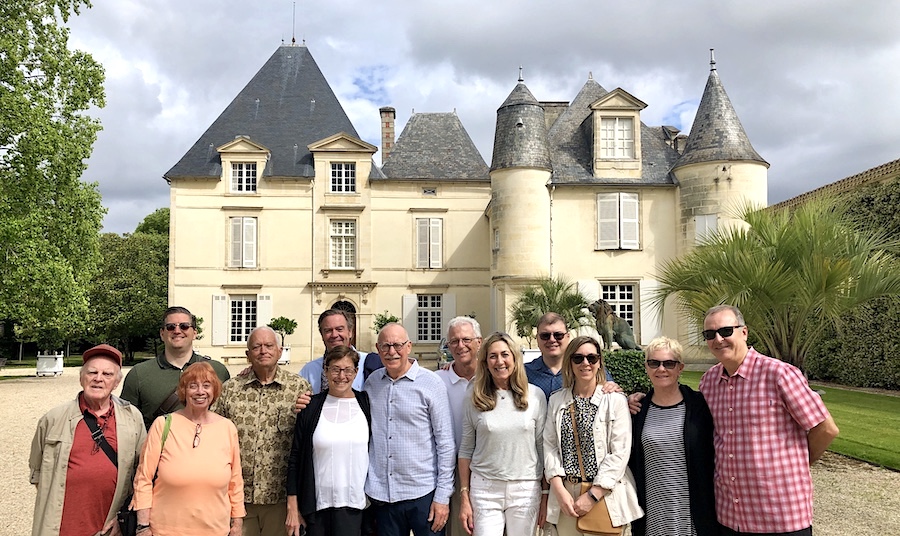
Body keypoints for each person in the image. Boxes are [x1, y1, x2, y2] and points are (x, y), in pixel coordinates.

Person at [699, 305, 839, 536]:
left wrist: (796, 466)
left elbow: (825, 429)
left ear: (743, 332)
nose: (718, 339)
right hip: (730, 516)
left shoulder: (779, 374)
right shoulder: (709, 382)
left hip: (779, 515)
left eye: (725, 331)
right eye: (709, 334)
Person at [30, 344, 147, 536]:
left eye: (107, 374)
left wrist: (123, 516)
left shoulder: (132, 417)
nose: (98, 379)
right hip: (60, 529)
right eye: (92, 372)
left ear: (116, 383)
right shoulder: (53, 419)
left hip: (110, 528)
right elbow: (38, 473)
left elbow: (141, 473)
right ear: (81, 378)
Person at [214, 327, 312, 536]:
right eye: (256, 346)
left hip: (280, 498)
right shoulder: (230, 389)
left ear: (279, 351)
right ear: (247, 354)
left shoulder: (298, 388)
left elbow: (308, 442)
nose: (263, 351)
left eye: (269, 345)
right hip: (238, 498)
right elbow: (214, 438)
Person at [544, 336, 642, 536]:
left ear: (599, 363)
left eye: (592, 358)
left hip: (605, 493)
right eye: (578, 358)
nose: (585, 363)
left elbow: (620, 452)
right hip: (566, 496)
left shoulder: (614, 400)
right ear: (569, 363)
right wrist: (559, 490)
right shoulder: (557, 400)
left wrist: (593, 496)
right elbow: (549, 446)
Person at [132, 361, 245, 536]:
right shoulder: (163, 425)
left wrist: (237, 523)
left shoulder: (227, 428)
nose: (200, 391)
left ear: (214, 390)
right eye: (193, 386)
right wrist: (143, 526)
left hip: (216, 530)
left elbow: (235, 481)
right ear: (184, 391)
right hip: (165, 530)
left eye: (206, 386)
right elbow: (143, 477)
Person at [365, 323, 455, 536]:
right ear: (378, 349)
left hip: (423, 493)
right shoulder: (372, 384)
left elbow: (445, 443)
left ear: (409, 347)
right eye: (385, 346)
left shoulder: (431, 383)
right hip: (383, 494)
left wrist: (442, 497)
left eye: (397, 345)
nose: (392, 352)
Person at [457, 332, 547, 536]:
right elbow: (466, 449)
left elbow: (542, 446)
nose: (500, 361)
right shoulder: (474, 397)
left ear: (515, 358)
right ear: (486, 362)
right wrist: (464, 496)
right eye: (493, 356)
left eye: (505, 355)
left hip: (525, 488)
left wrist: (545, 493)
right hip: (485, 488)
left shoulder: (535, 396)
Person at [628, 337, 719, 536]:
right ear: (646, 367)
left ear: (680, 368)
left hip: (692, 512)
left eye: (669, 363)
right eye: (654, 363)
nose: (661, 369)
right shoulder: (637, 411)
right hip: (653, 512)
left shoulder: (699, 406)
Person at [287, 345, 372, 536]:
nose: (341, 375)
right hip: (317, 508)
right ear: (325, 371)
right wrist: (293, 506)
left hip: (355, 506)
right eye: (335, 369)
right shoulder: (310, 407)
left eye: (347, 370)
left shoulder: (367, 404)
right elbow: (295, 459)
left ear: (356, 372)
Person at [122, 306, 230, 429]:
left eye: (184, 326)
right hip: (158, 446)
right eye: (170, 327)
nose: (177, 331)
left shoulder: (218, 371)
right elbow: (126, 423)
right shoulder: (139, 374)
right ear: (162, 334)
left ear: (194, 333)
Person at [436, 317, 482, 536]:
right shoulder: (437, 380)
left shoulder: (494, 377)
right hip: (451, 471)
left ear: (479, 342)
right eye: (454, 341)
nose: (460, 345)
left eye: (466, 339)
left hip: (488, 470)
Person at [526, 313, 618, 401]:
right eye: (545, 336)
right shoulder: (523, 373)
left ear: (568, 336)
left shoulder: (590, 369)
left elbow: (614, 398)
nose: (552, 340)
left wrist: (613, 388)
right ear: (537, 338)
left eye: (558, 335)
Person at [300, 309, 375, 393]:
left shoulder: (370, 364)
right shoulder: (309, 370)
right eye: (328, 330)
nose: (334, 335)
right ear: (322, 335)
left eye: (339, 329)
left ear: (350, 332)